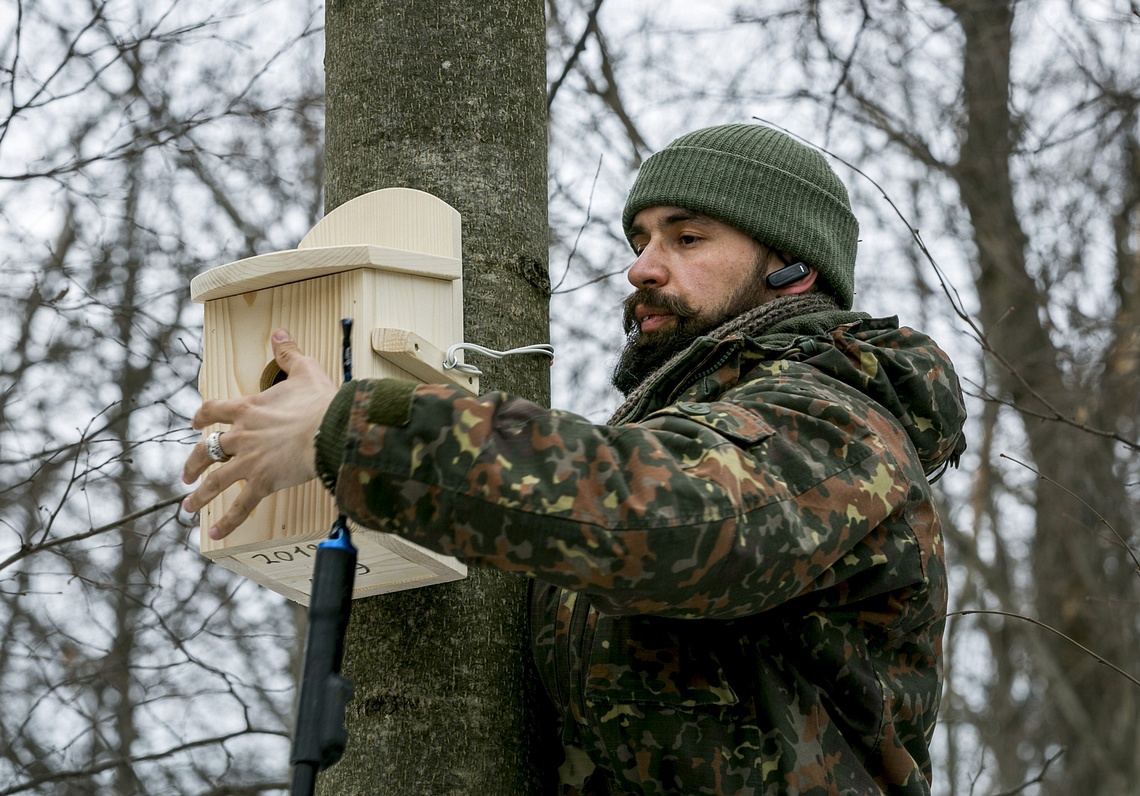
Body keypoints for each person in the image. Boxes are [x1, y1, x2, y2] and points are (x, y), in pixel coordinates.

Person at [182, 123, 967, 795]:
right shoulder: (695, 424)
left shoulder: (837, 416)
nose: (642, 269)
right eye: (640, 242)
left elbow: (667, 521)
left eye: (687, 238)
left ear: (794, 268)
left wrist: (353, 431)